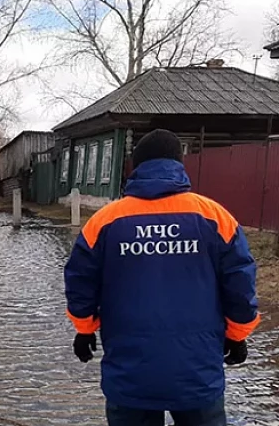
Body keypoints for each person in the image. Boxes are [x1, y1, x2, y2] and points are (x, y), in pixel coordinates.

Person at [64, 129, 260, 426]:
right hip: (197, 373)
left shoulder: (104, 221)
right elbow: (240, 284)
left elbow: (80, 282)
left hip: (130, 375)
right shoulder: (216, 217)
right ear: (179, 163)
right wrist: (237, 335)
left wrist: (85, 329)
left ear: (135, 166)